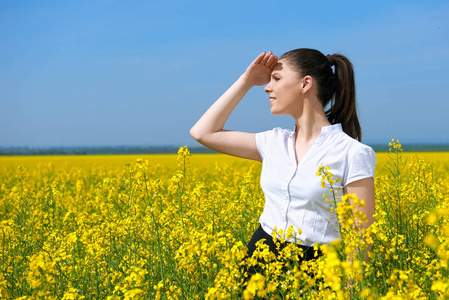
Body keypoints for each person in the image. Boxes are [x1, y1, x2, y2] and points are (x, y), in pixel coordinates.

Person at [190, 49, 376, 267]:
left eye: (276, 79)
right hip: (260, 257)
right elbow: (202, 132)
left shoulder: (352, 153)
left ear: (305, 84)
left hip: (317, 268)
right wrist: (246, 81)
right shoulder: (274, 142)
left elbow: (361, 238)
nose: (267, 87)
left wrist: (351, 288)